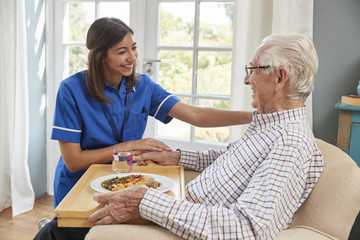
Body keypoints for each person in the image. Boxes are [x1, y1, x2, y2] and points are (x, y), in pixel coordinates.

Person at [87, 34, 324, 239]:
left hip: (191, 222)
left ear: (280, 78)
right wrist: (177, 157)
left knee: (85, 221)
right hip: (184, 205)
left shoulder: (289, 143)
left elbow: (248, 229)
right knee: (88, 206)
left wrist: (144, 201)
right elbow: (231, 158)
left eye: (252, 70)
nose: (246, 79)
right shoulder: (271, 126)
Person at [34, 17, 251, 240]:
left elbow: (196, 115)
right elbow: (73, 161)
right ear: (99, 57)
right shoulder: (71, 89)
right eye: (121, 51)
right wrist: (129, 145)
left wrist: (254, 116)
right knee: (72, 232)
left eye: (134, 48)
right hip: (80, 184)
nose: (132, 57)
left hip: (125, 179)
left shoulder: (143, 85)